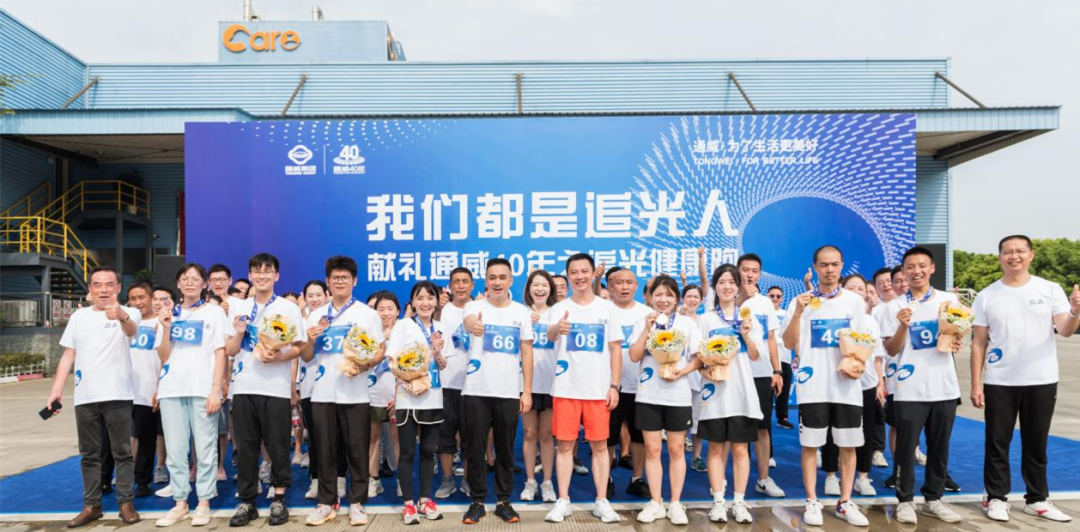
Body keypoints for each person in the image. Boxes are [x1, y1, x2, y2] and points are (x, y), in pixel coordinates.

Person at [971, 235, 1080, 523]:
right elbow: (978, 342)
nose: (1014, 256)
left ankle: (1037, 498)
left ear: (1031, 255)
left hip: (1041, 378)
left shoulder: (1049, 289)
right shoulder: (987, 295)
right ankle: (996, 497)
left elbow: (1065, 329)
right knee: (997, 442)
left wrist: (1075, 312)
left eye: (1020, 251)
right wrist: (976, 383)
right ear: (1000, 257)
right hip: (1000, 380)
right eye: (1007, 252)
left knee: (1036, 442)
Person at [782, 245, 871, 527]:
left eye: (834, 264)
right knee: (811, 446)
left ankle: (845, 502)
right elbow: (788, 342)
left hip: (846, 386)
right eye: (824, 265)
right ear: (815, 268)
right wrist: (798, 313)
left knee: (848, 445)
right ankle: (812, 500)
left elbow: (862, 341)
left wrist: (855, 364)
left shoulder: (854, 302)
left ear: (841, 266)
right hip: (812, 386)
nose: (829, 270)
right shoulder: (801, 302)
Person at [46, 266, 141, 527]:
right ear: (90, 288)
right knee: (89, 454)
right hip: (85, 397)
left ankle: (126, 503)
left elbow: (131, 330)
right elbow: (69, 354)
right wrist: (55, 390)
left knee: (122, 452)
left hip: (118, 394)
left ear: (118, 287)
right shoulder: (79, 317)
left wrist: (121, 316)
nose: (103, 289)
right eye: (97, 284)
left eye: (109, 284)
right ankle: (92, 505)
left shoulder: (129, 312)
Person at [878, 247, 963, 524]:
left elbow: (956, 336)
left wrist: (956, 341)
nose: (917, 271)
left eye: (922, 266)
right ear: (903, 271)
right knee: (906, 448)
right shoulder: (894, 307)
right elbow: (891, 349)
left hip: (944, 385)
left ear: (932, 268)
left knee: (939, 447)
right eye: (910, 267)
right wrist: (903, 326)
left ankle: (934, 498)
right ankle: (905, 500)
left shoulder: (949, 300)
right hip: (909, 387)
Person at [301, 257, 386, 526]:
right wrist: (309, 340)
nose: (340, 282)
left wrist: (365, 365)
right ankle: (326, 502)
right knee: (324, 450)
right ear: (328, 281)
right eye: (335, 278)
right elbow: (306, 356)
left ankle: (357, 503)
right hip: (322, 393)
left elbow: (380, 349)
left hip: (355, 393)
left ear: (354, 281)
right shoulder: (315, 315)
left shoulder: (366, 314)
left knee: (357, 449)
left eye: (345, 278)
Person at [224, 253, 307, 526]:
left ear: (276, 276)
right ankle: (247, 501)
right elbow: (230, 350)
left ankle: (279, 498)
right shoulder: (239, 307)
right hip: (244, 387)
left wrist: (280, 357)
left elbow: (299, 346)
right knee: (246, 447)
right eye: (257, 271)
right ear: (250, 275)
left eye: (267, 271)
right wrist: (239, 331)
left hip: (276, 388)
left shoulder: (287, 308)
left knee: (278, 444)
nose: (262, 275)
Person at [544, 253, 623, 524]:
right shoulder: (559, 308)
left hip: (598, 390)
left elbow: (615, 350)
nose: (579, 276)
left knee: (600, 446)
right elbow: (550, 336)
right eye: (574, 272)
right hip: (566, 388)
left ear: (592, 274)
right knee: (565, 446)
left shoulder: (607, 308)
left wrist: (614, 386)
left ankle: (601, 501)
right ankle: (563, 500)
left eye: (584, 271)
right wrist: (558, 328)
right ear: (568, 276)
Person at [459, 259, 535, 524]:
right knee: (475, 448)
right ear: (486, 280)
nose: (497, 282)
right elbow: (468, 321)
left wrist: (526, 391)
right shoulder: (474, 307)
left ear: (511, 280)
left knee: (505, 449)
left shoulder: (521, 312)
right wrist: (473, 325)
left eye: (503, 277)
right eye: (492, 277)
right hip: (476, 389)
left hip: (508, 391)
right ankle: (477, 501)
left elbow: (527, 352)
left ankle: (504, 501)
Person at [154, 263, 229, 527]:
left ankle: (204, 503)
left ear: (204, 284)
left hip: (202, 389)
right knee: (175, 451)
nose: (190, 283)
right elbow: (164, 356)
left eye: (195, 279)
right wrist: (165, 327)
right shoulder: (168, 313)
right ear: (178, 283)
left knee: (205, 448)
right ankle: (180, 503)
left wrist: (216, 388)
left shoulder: (214, 312)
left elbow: (220, 351)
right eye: (185, 278)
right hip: (172, 390)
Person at [629, 274, 702, 525]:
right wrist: (647, 329)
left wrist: (683, 372)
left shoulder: (686, 323)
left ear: (676, 299)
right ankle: (656, 502)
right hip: (648, 393)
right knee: (652, 449)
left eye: (669, 295)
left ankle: (676, 503)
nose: (663, 299)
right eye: (658, 294)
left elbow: (698, 358)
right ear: (650, 297)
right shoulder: (643, 321)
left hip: (678, 394)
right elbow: (634, 355)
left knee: (676, 449)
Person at [698, 264, 762, 525]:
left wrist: (746, 336)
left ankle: (739, 502)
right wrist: (707, 371)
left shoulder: (747, 318)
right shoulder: (706, 319)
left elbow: (755, 355)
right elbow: (699, 358)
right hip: (715, 395)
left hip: (742, 393)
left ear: (738, 287)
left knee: (740, 450)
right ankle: (718, 502)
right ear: (715, 287)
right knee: (715, 449)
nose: (726, 287)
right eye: (721, 282)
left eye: (731, 282)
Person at [387, 281, 451, 524]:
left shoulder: (441, 328)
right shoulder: (403, 325)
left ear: (436, 302)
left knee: (428, 451)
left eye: (430, 297)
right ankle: (408, 504)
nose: (425, 302)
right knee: (407, 452)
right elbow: (392, 361)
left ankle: (424, 500)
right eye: (420, 298)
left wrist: (437, 352)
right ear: (412, 302)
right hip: (408, 399)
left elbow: (443, 365)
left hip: (433, 398)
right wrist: (406, 382)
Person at [820, 275, 886, 501]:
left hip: (866, 384)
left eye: (861, 288)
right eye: (852, 288)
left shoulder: (870, 321)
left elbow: (878, 357)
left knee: (865, 432)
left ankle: (863, 476)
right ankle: (831, 475)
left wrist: (880, 383)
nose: (857, 292)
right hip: (837, 383)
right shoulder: (835, 316)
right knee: (833, 432)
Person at [732, 254, 785, 499]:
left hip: (761, 372)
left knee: (763, 428)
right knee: (731, 428)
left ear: (760, 274)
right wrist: (740, 299)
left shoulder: (765, 303)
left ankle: (763, 479)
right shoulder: (725, 298)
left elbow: (771, 339)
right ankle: (724, 481)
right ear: (737, 271)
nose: (749, 275)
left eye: (754, 271)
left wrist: (777, 370)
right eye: (745, 270)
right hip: (733, 373)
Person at [605, 266, 652, 499]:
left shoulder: (648, 313)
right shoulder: (603, 310)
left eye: (629, 282)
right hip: (610, 387)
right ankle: (606, 479)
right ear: (611, 286)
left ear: (636, 286)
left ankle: (637, 479)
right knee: (607, 438)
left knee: (639, 437)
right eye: (619, 282)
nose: (624, 287)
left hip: (642, 387)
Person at [435, 267, 475, 498]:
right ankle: (447, 479)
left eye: (465, 281)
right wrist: (438, 308)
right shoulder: (443, 310)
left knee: (471, 436)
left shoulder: (480, 309)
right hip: (447, 382)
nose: (460, 286)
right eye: (456, 282)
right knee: (446, 434)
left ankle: (468, 479)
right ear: (450, 286)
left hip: (474, 383)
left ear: (472, 285)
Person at [519, 270, 559, 503]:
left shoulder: (558, 312)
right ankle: (530, 481)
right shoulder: (520, 313)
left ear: (550, 289)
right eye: (536, 284)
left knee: (546, 434)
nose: (540, 289)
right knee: (529, 433)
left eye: (545, 284)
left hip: (551, 383)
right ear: (529, 289)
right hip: (526, 384)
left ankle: (547, 482)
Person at [121, 282, 163, 498]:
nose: (137, 302)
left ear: (151, 298)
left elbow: (166, 358)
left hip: (149, 391)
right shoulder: (123, 323)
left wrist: (160, 387)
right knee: (122, 439)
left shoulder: (161, 323)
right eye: (133, 298)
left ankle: (143, 481)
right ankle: (118, 478)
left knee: (147, 439)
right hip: (123, 391)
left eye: (141, 297)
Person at [367, 291, 401, 498]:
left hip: (399, 395)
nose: (386, 313)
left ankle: (401, 480)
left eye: (390, 309)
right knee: (373, 437)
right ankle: (373, 480)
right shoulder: (368, 333)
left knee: (397, 438)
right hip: (373, 393)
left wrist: (400, 394)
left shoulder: (405, 332)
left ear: (398, 311)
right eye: (381, 309)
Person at [680, 284, 709, 473]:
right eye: (688, 296)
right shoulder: (675, 319)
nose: (692, 300)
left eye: (695, 297)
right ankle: (678, 455)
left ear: (701, 300)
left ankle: (696, 456)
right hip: (678, 375)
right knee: (679, 417)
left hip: (699, 375)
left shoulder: (705, 321)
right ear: (682, 299)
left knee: (698, 418)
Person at [767, 286, 795, 430]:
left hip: (784, 357)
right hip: (767, 358)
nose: (775, 299)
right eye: (772, 296)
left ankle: (782, 418)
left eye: (778, 296)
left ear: (782, 299)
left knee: (784, 390)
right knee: (766, 391)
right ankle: (763, 418)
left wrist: (797, 355)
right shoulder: (762, 313)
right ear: (767, 297)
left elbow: (794, 334)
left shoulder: (786, 315)